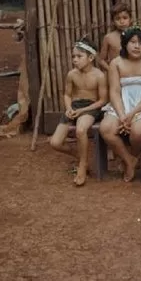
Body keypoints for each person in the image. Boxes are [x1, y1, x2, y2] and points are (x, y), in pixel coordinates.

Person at [99, 25, 141, 182]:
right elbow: (115, 92)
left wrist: (132, 114)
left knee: (139, 133)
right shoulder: (116, 63)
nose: (137, 46)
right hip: (121, 104)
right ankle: (128, 160)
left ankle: (135, 155)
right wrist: (122, 114)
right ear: (125, 43)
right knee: (107, 129)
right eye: (133, 42)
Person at [49, 38, 108, 187]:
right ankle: (82, 156)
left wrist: (83, 110)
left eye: (79, 56)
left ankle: (82, 165)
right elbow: (67, 94)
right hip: (74, 107)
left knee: (81, 130)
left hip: (91, 108)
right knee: (55, 142)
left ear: (91, 58)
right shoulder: (72, 75)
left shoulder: (99, 76)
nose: (75, 60)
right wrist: (69, 108)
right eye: (73, 56)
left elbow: (102, 101)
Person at [98, 2, 132, 72]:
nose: (122, 21)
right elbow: (101, 60)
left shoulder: (136, 36)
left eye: (125, 18)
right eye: (117, 19)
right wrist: (111, 70)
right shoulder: (109, 38)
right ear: (113, 21)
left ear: (130, 19)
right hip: (116, 72)